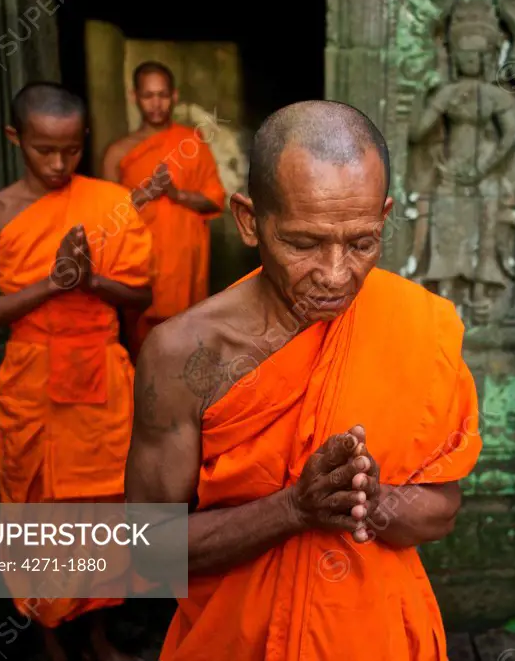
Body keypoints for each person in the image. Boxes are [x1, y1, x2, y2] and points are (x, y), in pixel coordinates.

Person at [124, 100, 482, 661]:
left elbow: (443, 509)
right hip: (236, 641)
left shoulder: (419, 323)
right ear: (249, 220)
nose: (337, 275)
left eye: (362, 242)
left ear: (384, 215)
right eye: (304, 243)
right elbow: (146, 551)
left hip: (376, 637)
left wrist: (370, 498)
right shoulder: (183, 354)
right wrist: (293, 509)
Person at [0, 82, 153, 661]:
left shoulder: (111, 202)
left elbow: (141, 296)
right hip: (34, 381)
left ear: (83, 141)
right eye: (44, 150)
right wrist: (51, 285)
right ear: (15, 138)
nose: (58, 163)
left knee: (105, 510)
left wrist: (90, 281)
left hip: (100, 374)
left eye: (69, 150)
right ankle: (49, 632)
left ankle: (96, 630)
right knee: (38, 511)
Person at [101, 60, 226, 359]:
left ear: (174, 95)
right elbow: (104, 217)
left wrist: (176, 193)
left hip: (185, 264)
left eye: (162, 95)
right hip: (140, 264)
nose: (156, 103)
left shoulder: (192, 143)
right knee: (144, 349)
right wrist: (145, 194)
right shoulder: (119, 152)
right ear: (135, 97)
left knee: (186, 345)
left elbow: (215, 200)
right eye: (148, 95)